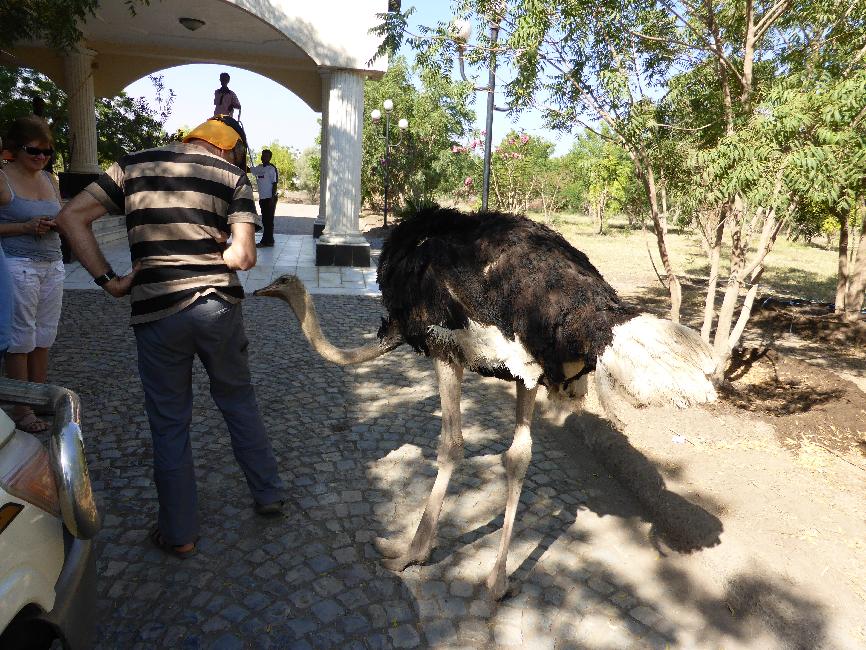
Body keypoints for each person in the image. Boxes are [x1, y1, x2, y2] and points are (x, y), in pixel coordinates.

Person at [56, 115, 285, 559]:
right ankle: (268, 494)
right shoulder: (233, 177)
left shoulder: (132, 166)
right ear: (227, 150)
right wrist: (216, 246)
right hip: (217, 308)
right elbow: (243, 257)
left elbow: (70, 217)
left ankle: (179, 533)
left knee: (169, 422)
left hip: (156, 311)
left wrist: (110, 280)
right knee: (238, 400)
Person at [0, 116, 63, 432]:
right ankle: (21, 408)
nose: (41, 157)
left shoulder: (51, 179)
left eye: (47, 152)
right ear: (15, 148)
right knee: (20, 338)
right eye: (33, 151)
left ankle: (38, 398)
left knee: (44, 335)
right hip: (16, 264)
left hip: (52, 263)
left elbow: (61, 213)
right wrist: (23, 227)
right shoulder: (3, 178)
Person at [250, 149, 279, 247]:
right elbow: (250, 170)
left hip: (270, 199)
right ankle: (270, 240)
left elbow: (274, 184)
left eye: (266, 156)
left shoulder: (272, 169)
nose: (263, 157)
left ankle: (265, 241)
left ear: (270, 158)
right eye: (262, 155)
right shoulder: (259, 168)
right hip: (262, 198)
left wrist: (272, 198)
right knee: (265, 220)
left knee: (269, 221)